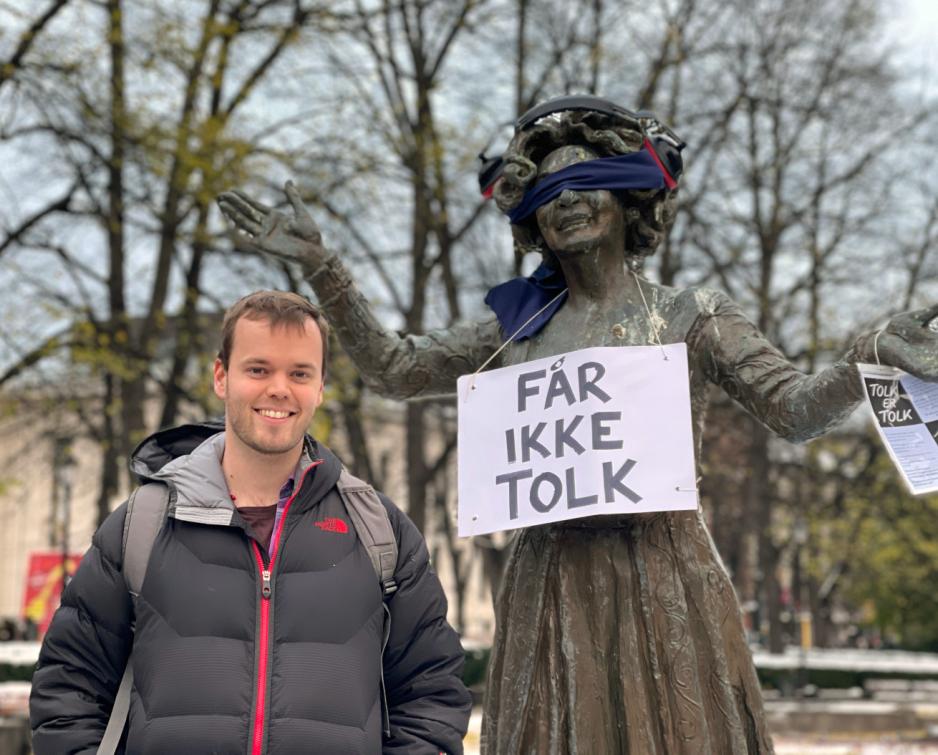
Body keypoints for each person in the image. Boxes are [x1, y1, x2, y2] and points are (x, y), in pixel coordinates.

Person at [217, 98, 938, 754]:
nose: (566, 202)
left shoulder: (691, 315)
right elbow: (394, 369)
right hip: (552, 585)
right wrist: (323, 267)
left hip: (666, 580)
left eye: (584, 182)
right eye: (547, 192)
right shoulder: (517, 330)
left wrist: (864, 356)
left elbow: (795, 409)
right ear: (532, 217)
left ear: (630, 200)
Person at [29, 291, 472, 754]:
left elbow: (431, 692)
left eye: (299, 373)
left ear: (320, 387)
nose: (278, 388)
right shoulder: (143, 524)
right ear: (221, 376)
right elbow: (68, 688)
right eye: (258, 369)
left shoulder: (378, 531)